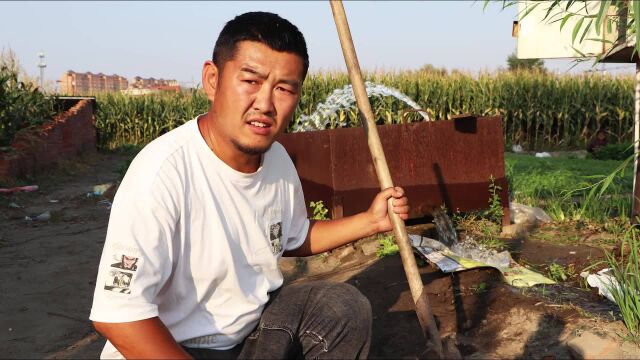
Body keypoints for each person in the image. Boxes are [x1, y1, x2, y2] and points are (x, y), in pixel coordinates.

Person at [89, 11, 409, 359]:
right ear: (212, 80)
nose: (265, 104)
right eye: (251, 81)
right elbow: (118, 316)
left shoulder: (277, 160)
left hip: (248, 336)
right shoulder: (163, 173)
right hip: (172, 347)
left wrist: (371, 221)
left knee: (341, 308)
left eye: (284, 88)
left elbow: (295, 237)